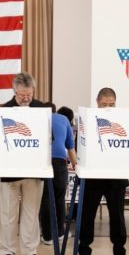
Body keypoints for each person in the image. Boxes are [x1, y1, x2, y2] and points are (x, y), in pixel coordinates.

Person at [78, 87, 129, 255]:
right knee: (87, 215)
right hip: (93, 176)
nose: (108, 107)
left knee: (118, 217)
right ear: (97, 102)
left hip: (116, 177)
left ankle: (120, 254)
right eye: (104, 104)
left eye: (112, 104)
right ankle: (84, 252)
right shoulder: (88, 119)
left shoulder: (124, 120)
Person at [0, 72, 45, 255]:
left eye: (29, 94)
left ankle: (29, 249)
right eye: (21, 95)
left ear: (33, 90)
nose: (25, 98)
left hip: (34, 170)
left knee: (31, 212)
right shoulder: (4, 110)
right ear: (14, 91)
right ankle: (7, 250)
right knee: (8, 212)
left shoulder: (42, 109)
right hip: (10, 170)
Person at [39, 103, 77, 245]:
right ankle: (60, 234)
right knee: (59, 198)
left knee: (46, 199)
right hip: (60, 162)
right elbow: (70, 147)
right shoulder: (64, 119)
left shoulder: (38, 119)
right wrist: (75, 165)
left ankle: (47, 236)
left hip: (42, 161)